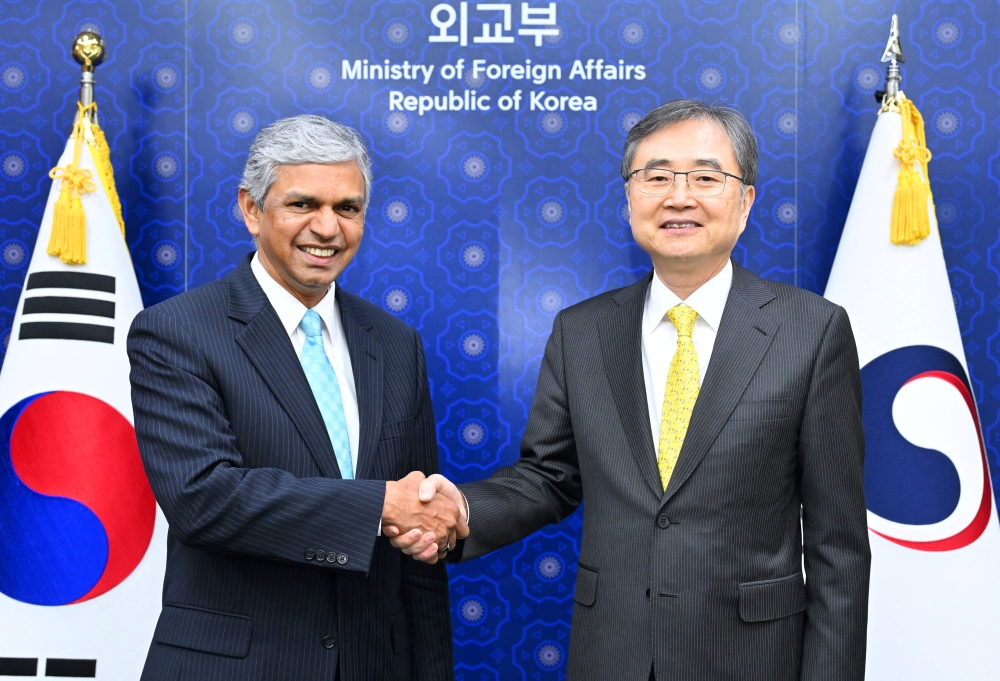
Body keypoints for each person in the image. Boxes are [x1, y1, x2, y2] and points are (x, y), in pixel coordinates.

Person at [388, 100, 871, 681]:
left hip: (753, 658)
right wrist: (460, 510)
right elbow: (549, 477)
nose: (679, 197)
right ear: (629, 198)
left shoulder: (811, 331)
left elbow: (838, 548)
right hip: (613, 654)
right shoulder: (582, 331)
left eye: (705, 178)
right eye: (657, 177)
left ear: (745, 201)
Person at [128, 114, 466, 681]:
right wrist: (380, 505)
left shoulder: (395, 343)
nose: (327, 228)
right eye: (303, 204)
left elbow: (418, 543)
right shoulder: (176, 331)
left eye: (347, 208)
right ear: (251, 209)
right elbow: (203, 499)